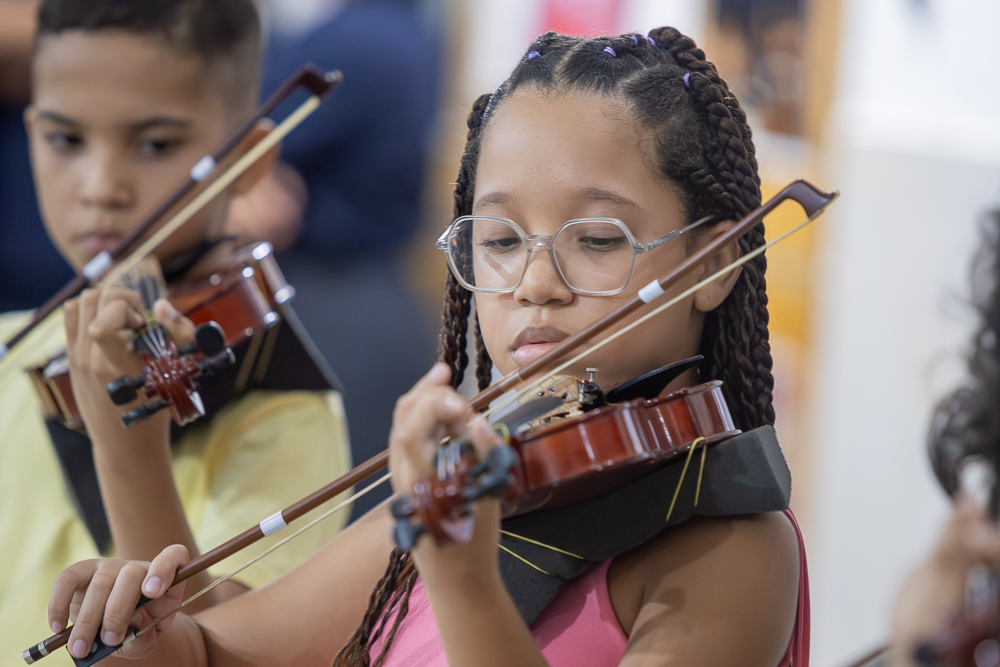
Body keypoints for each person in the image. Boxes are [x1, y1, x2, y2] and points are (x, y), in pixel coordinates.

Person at [48, 27, 805, 667]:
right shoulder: (485, 484)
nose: (536, 284)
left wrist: (463, 580)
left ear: (712, 265)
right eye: (501, 240)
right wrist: (130, 471)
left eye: (599, 240)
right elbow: (214, 653)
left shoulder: (731, 549)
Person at [0, 0, 353, 663]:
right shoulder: (14, 344)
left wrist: (128, 448)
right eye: (66, 139)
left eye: (156, 144)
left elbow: (215, 650)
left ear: (248, 157)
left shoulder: (281, 410)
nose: (101, 187)